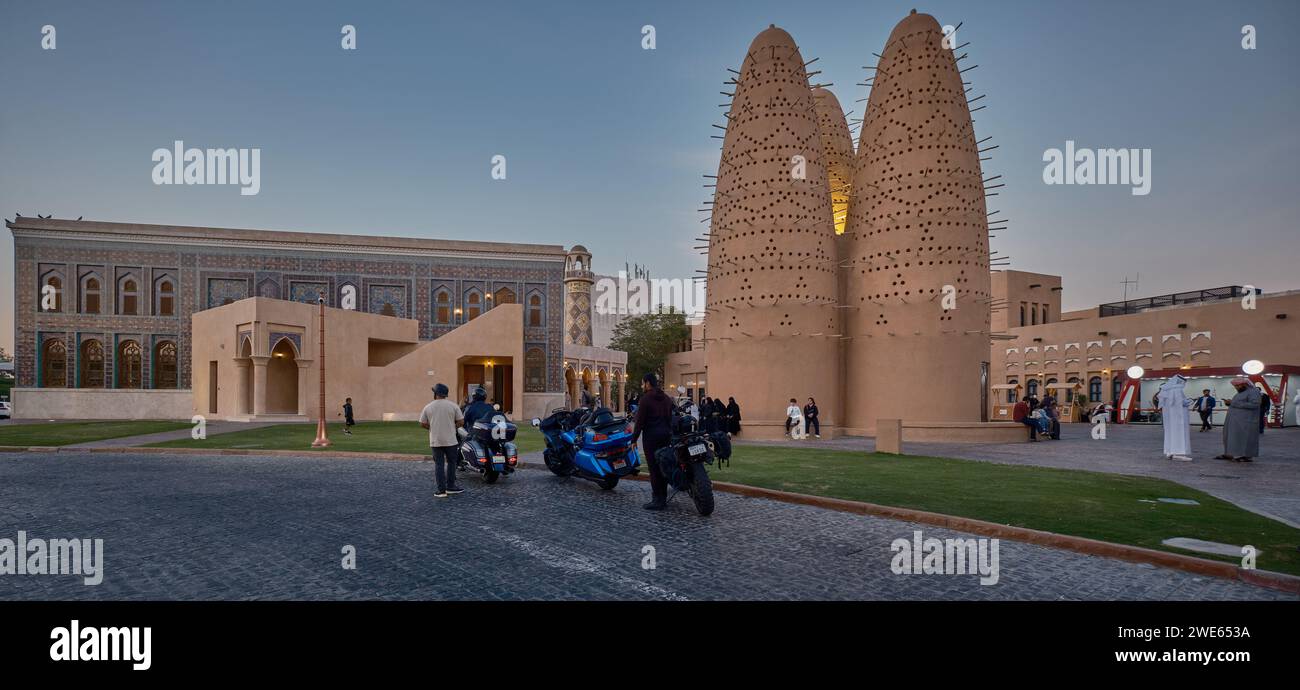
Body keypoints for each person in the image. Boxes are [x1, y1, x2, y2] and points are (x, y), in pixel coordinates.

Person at [629, 373, 674, 510]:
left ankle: (657, 500)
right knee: (663, 466)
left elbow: (640, 422)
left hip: (651, 438)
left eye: (643, 383)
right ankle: (663, 498)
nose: (642, 386)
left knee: (654, 469)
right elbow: (669, 419)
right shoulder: (666, 399)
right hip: (665, 436)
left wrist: (634, 439)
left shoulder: (645, 399)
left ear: (648, 383)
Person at [419, 383, 465, 498]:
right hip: (451, 440)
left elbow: (422, 423)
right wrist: (453, 427)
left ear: (435, 394)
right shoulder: (453, 406)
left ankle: (441, 490)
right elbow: (461, 422)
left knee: (439, 465)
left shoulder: (428, 406)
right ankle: (451, 486)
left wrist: (431, 428)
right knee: (452, 463)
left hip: (435, 440)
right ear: (445, 394)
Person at [1217, 378, 1261, 463]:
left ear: (1245, 384)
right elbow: (1237, 404)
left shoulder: (1253, 392)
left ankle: (1246, 456)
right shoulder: (1240, 393)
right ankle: (1229, 454)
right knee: (1230, 437)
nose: (1236, 387)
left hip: (1245, 421)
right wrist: (1229, 403)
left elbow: (1255, 405)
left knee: (1244, 439)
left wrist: (1233, 403)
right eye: (1235, 386)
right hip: (1235, 421)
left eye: (1238, 385)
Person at [1156, 374, 1191, 461]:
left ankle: (1170, 451)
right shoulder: (1177, 390)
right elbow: (1181, 403)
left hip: (1170, 418)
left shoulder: (1166, 390)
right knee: (1179, 433)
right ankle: (1178, 453)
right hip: (1178, 417)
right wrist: (1191, 400)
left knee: (1170, 433)